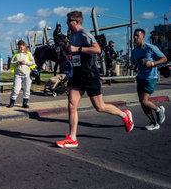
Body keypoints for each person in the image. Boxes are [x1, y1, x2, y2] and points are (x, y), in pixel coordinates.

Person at [56, 11, 134, 148]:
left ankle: (124, 115)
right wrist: (70, 53)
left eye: (68, 21)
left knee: (100, 107)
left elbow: (97, 50)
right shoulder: (72, 35)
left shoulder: (84, 33)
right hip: (78, 75)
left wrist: (77, 48)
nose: (67, 23)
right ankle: (72, 138)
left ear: (76, 22)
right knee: (72, 105)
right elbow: (76, 54)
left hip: (90, 75)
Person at [130, 28, 167, 130]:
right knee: (142, 102)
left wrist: (152, 63)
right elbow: (134, 63)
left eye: (137, 36)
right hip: (140, 77)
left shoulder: (150, 48)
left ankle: (159, 110)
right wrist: (133, 66)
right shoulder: (134, 51)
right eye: (134, 36)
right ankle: (153, 122)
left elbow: (164, 59)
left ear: (143, 37)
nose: (135, 37)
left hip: (150, 78)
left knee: (144, 100)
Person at [8, 40, 36, 108]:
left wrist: (25, 62)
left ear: (24, 46)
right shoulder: (16, 53)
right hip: (18, 74)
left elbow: (33, 62)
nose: (20, 47)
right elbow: (11, 62)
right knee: (16, 89)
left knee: (27, 89)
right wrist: (16, 63)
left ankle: (25, 103)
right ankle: (12, 102)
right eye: (19, 46)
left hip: (27, 73)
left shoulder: (28, 54)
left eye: (22, 46)